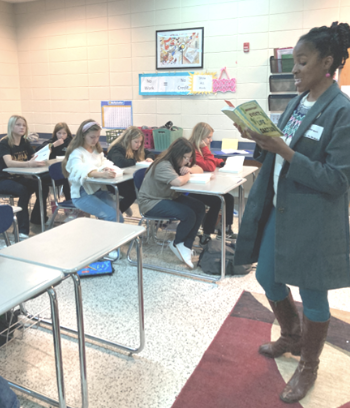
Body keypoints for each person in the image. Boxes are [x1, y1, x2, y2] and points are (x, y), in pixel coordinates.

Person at [234, 22, 350, 403]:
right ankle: (291, 335)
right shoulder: (297, 103)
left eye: (302, 62)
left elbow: (337, 179)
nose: (294, 70)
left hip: (315, 219)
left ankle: (308, 367)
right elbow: (280, 144)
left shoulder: (342, 111)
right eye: (293, 62)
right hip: (279, 209)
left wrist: (283, 151)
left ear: (327, 62)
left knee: (313, 295)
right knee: (267, 276)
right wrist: (259, 139)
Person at [138, 137, 205, 269]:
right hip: (151, 202)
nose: (187, 161)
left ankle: (186, 245)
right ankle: (177, 243)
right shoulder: (163, 164)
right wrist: (187, 175)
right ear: (177, 154)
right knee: (188, 214)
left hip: (167, 197)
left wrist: (189, 169)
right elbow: (178, 182)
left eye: (189, 158)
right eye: (186, 158)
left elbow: (199, 168)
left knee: (199, 207)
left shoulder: (177, 163)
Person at [62, 119, 123, 224]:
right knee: (112, 217)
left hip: (98, 191)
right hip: (82, 194)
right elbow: (78, 169)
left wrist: (106, 168)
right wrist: (100, 174)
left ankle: (105, 238)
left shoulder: (96, 150)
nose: (95, 140)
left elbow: (104, 162)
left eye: (98, 136)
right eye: (92, 137)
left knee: (118, 218)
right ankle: (105, 239)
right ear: (83, 136)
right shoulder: (76, 152)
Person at [0, 115, 49, 238]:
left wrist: (41, 159)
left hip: (19, 177)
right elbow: (9, 163)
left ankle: (37, 218)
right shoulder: (4, 143)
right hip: (4, 179)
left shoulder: (25, 141)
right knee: (23, 191)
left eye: (24, 125)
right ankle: (23, 229)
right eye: (18, 125)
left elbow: (33, 156)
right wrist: (29, 164)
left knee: (42, 184)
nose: (22, 127)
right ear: (11, 126)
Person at [188, 122, 235, 244]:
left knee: (229, 198)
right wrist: (204, 148)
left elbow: (211, 160)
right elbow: (209, 166)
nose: (210, 140)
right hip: (190, 189)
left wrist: (221, 163)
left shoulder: (198, 148)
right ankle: (207, 234)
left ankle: (224, 229)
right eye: (208, 137)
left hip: (200, 185)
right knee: (217, 200)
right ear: (200, 137)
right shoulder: (192, 150)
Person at [107, 126, 155, 216]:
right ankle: (116, 213)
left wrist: (149, 158)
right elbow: (120, 162)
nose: (139, 144)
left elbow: (149, 153)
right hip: (114, 180)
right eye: (136, 142)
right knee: (132, 194)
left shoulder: (136, 149)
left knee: (144, 189)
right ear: (128, 140)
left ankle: (122, 205)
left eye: (140, 142)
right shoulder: (117, 148)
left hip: (126, 179)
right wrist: (136, 161)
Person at [37, 122, 73, 200]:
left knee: (67, 177)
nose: (61, 136)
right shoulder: (52, 141)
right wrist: (53, 145)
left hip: (65, 169)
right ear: (55, 133)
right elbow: (39, 150)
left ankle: (69, 201)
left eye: (64, 133)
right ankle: (53, 201)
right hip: (51, 170)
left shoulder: (71, 142)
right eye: (59, 133)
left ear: (67, 134)